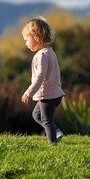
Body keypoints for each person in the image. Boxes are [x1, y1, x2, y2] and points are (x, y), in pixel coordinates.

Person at [21, 16, 65, 144]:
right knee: (37, 115)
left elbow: (40, 77)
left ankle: (53, 145)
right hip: (53, 93)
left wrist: (29, 92)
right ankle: (56, 132)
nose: (26, 43)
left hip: (47, 95)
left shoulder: (41, 56)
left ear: (36, 37)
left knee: (46, 120)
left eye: (26, 40)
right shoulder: (50, 52)